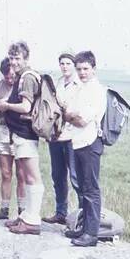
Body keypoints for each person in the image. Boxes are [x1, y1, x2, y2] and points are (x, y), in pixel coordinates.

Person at [0, 41, 44, 236]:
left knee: (31, 176)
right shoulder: (23, 76)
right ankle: (26, 216)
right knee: (27, 175)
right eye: (11, 58)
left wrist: (5, 105)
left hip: (26, 133)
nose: (14, 62)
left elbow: (26, 107)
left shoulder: (26, 78)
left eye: (17, 58)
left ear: (25, 58)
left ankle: (32, 220)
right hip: (21, 133)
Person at [60, 50, 107, 247]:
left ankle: (91, 234)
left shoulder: (97, 90)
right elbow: (70, 114)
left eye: (86, 69)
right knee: (83, 188)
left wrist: (69, 115)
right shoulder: (81, 89)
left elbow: (80, 120)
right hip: (78, 143)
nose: (82, 72)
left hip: (89, 143)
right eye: (79, 69)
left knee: (91, 189)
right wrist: (70, 115)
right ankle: (84, 228)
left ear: (94, 69)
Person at [42, 51, 81, 225]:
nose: (64, 67)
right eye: (62, 64)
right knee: (57, 175)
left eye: (68, 64)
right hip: (56, 136)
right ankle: (60, 212)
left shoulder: (79, 85)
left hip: (73, 136)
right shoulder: (58, 83)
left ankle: (82, 214)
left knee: (75, 176)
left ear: (74, 66)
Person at [0, 58, 27, 221]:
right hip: (3, 131)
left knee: (22, 174)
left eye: (12, 76)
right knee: (6, 173)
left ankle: (22, 210)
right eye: (7, 77)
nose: (10, 79)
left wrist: (8, 106)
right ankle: (4, 209)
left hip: (20, 130)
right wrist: (0, 107)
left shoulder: (24, 84)